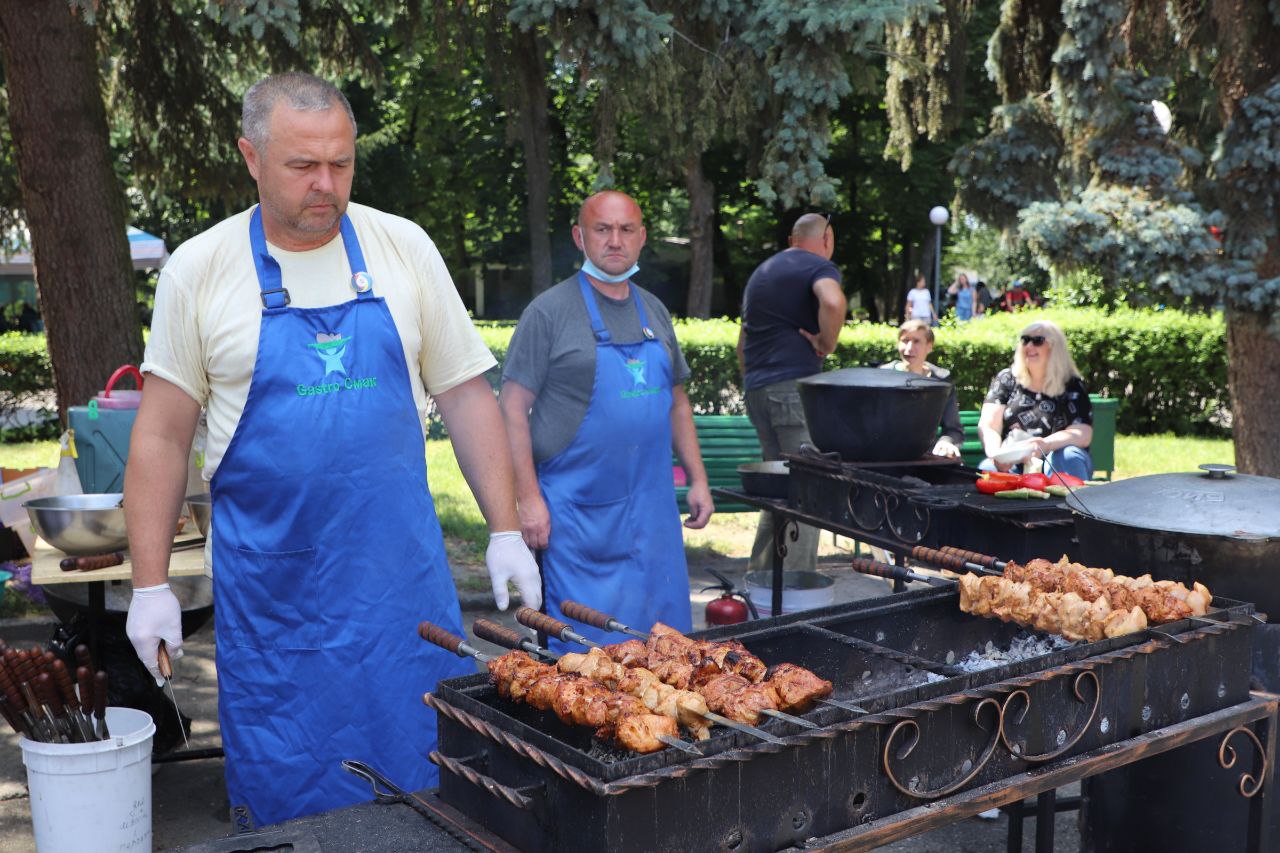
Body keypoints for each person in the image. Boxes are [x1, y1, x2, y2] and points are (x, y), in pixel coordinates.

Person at [122, 73, 541, 826]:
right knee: (293, 812)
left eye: (341, 164)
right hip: (279, 613)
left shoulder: (401, 247)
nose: (326, 184)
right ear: (251, 157)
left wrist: (506, 528)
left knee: (427, 800)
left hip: (400, 600)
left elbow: (467, 395)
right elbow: (159, 434)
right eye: (302, 165)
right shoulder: (202, 268)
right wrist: (149, 582)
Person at [499, 191, 713, 649]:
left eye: (625, 229)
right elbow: (511, 408)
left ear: (641, 238)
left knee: (664, 648)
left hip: (653, 515)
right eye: (602, 229)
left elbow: (678, 401)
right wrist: (528, 499)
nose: (614, 240)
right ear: (580, 237)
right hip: (577, 520)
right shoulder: (549, 313)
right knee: (583, 658)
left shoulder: (653, 310)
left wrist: (697, 478)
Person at [737, 213, 846, 577]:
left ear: (791, 238)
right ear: (826, 239)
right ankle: (796, 592)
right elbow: (832, 302)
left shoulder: (763, 272)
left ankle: (762, 584)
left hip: (757, 390)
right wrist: (825, 343)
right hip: (790, 391)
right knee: (808, 491)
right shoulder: (817, 266)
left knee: (780, 490)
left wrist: (754, 381)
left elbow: (743, 340)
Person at [977, 320, 1094, 480]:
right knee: (988, 468)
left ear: (1055, 347)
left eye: (1037, 341)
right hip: (1012, 462)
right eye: (1025, 340)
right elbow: (989, 425)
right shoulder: (1006, 379)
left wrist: (1044, 445)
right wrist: (996, 454)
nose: (1029, 346)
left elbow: (1082, 433)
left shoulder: (1072, 384)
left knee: (1068, 456)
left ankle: (1072, 505)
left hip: (1055, 461)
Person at [880, 320, 963, 458]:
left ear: (929, 346)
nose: (909, 348)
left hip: (927, 457)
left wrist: (946, 442)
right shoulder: (882, 376)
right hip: (886, 457)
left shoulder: (941, 380)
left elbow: (953, 430)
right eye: (905, 341)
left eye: (916, 341)